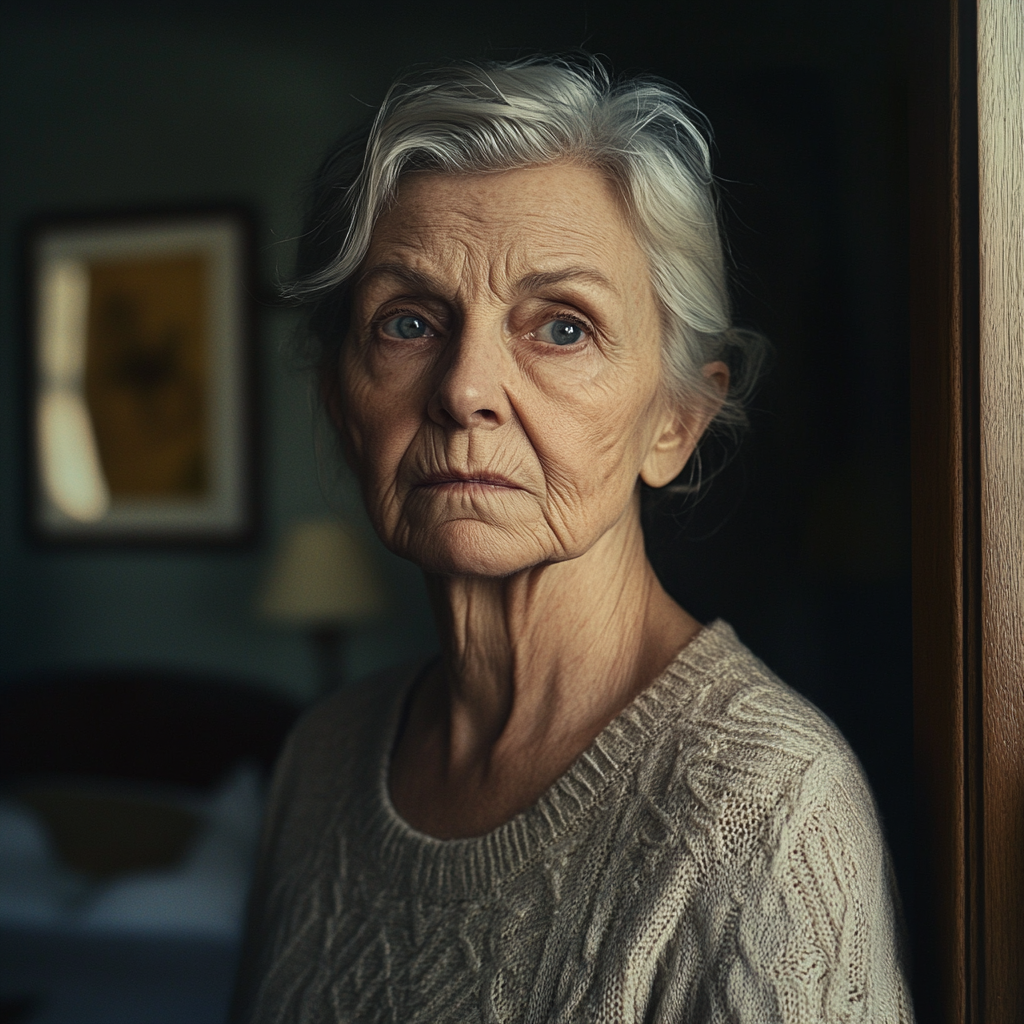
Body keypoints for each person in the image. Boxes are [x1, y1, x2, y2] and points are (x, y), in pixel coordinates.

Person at [232, 57, 914, 1023]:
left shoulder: (767, 809)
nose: (465, 389)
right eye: (410, 321)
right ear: (344, 405)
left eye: (560, 328)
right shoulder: (323, 756)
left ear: (673, 421)